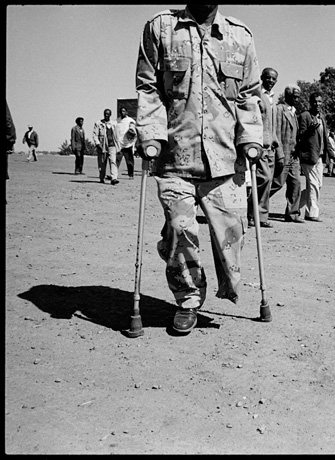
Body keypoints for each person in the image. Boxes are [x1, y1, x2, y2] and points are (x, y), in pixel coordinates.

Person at [135, 4, 263, 334]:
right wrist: (151, 134)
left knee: (231, 237)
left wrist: (250, 137)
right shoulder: (161, 28)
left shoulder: (240, 36)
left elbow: (249, 95)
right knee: (181, 228)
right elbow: (148, 86)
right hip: (176, 156)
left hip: (224, 158)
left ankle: (176, 248)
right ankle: (188, 298)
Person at [248, 67, 279, 228]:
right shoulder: (258, 95)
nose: (271, 81)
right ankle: (252, 213)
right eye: (268, 78)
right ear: (262, 78)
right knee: (263, 179)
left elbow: (273, 124)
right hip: (259, 146)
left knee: (269, 181)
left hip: (271, 146)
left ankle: (261, 215)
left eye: (274, 79)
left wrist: (275, 142)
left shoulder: (272, 98)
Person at [270, 83, 303, 222]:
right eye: (294, 97)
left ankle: (293, 213)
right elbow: (275, 133)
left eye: (298, 97)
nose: (297, 99)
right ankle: (253, 207)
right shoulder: (278, 110)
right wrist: (279, 154)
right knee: (276, 184)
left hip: (294, 157)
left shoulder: (294, 112)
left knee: (296, 184)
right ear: (287, 96)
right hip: (283, 154)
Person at [297, 91, 330, 222]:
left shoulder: (321, 117)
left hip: (319, 156)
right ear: (310, 103)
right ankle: (312, 213)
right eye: (315, 101)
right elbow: (300, 136)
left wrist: (329, 153)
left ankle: (294, 205)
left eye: (320, 101)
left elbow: (324, 137)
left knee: (317, 185)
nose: (317, 104)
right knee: (313, 185)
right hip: (309, 156)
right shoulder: (305, 116)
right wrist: (309, 130)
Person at [93, 108, 120, 185]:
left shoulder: (114, 124)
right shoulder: (98, 123)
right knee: (102, 163)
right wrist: (98, 144)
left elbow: (117, 136)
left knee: (113, 161)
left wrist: (119, 147)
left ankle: (114, 178)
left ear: (110, 115)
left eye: (108, 114)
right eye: (105, 113)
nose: (106, 115)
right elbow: (95, 135)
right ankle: (102, 177)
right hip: (102, 146)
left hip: (112, 146)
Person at [115, 107, 137, 179]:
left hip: (128, 144)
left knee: (129, 161)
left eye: (124, 111)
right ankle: (114, 175)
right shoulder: (117, 121)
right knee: (116, 161)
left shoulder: (130, 120)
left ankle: (131, 175)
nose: (122, 112)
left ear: (126, 112)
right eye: (121, 111)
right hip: (119, 144)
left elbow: (134, 131)